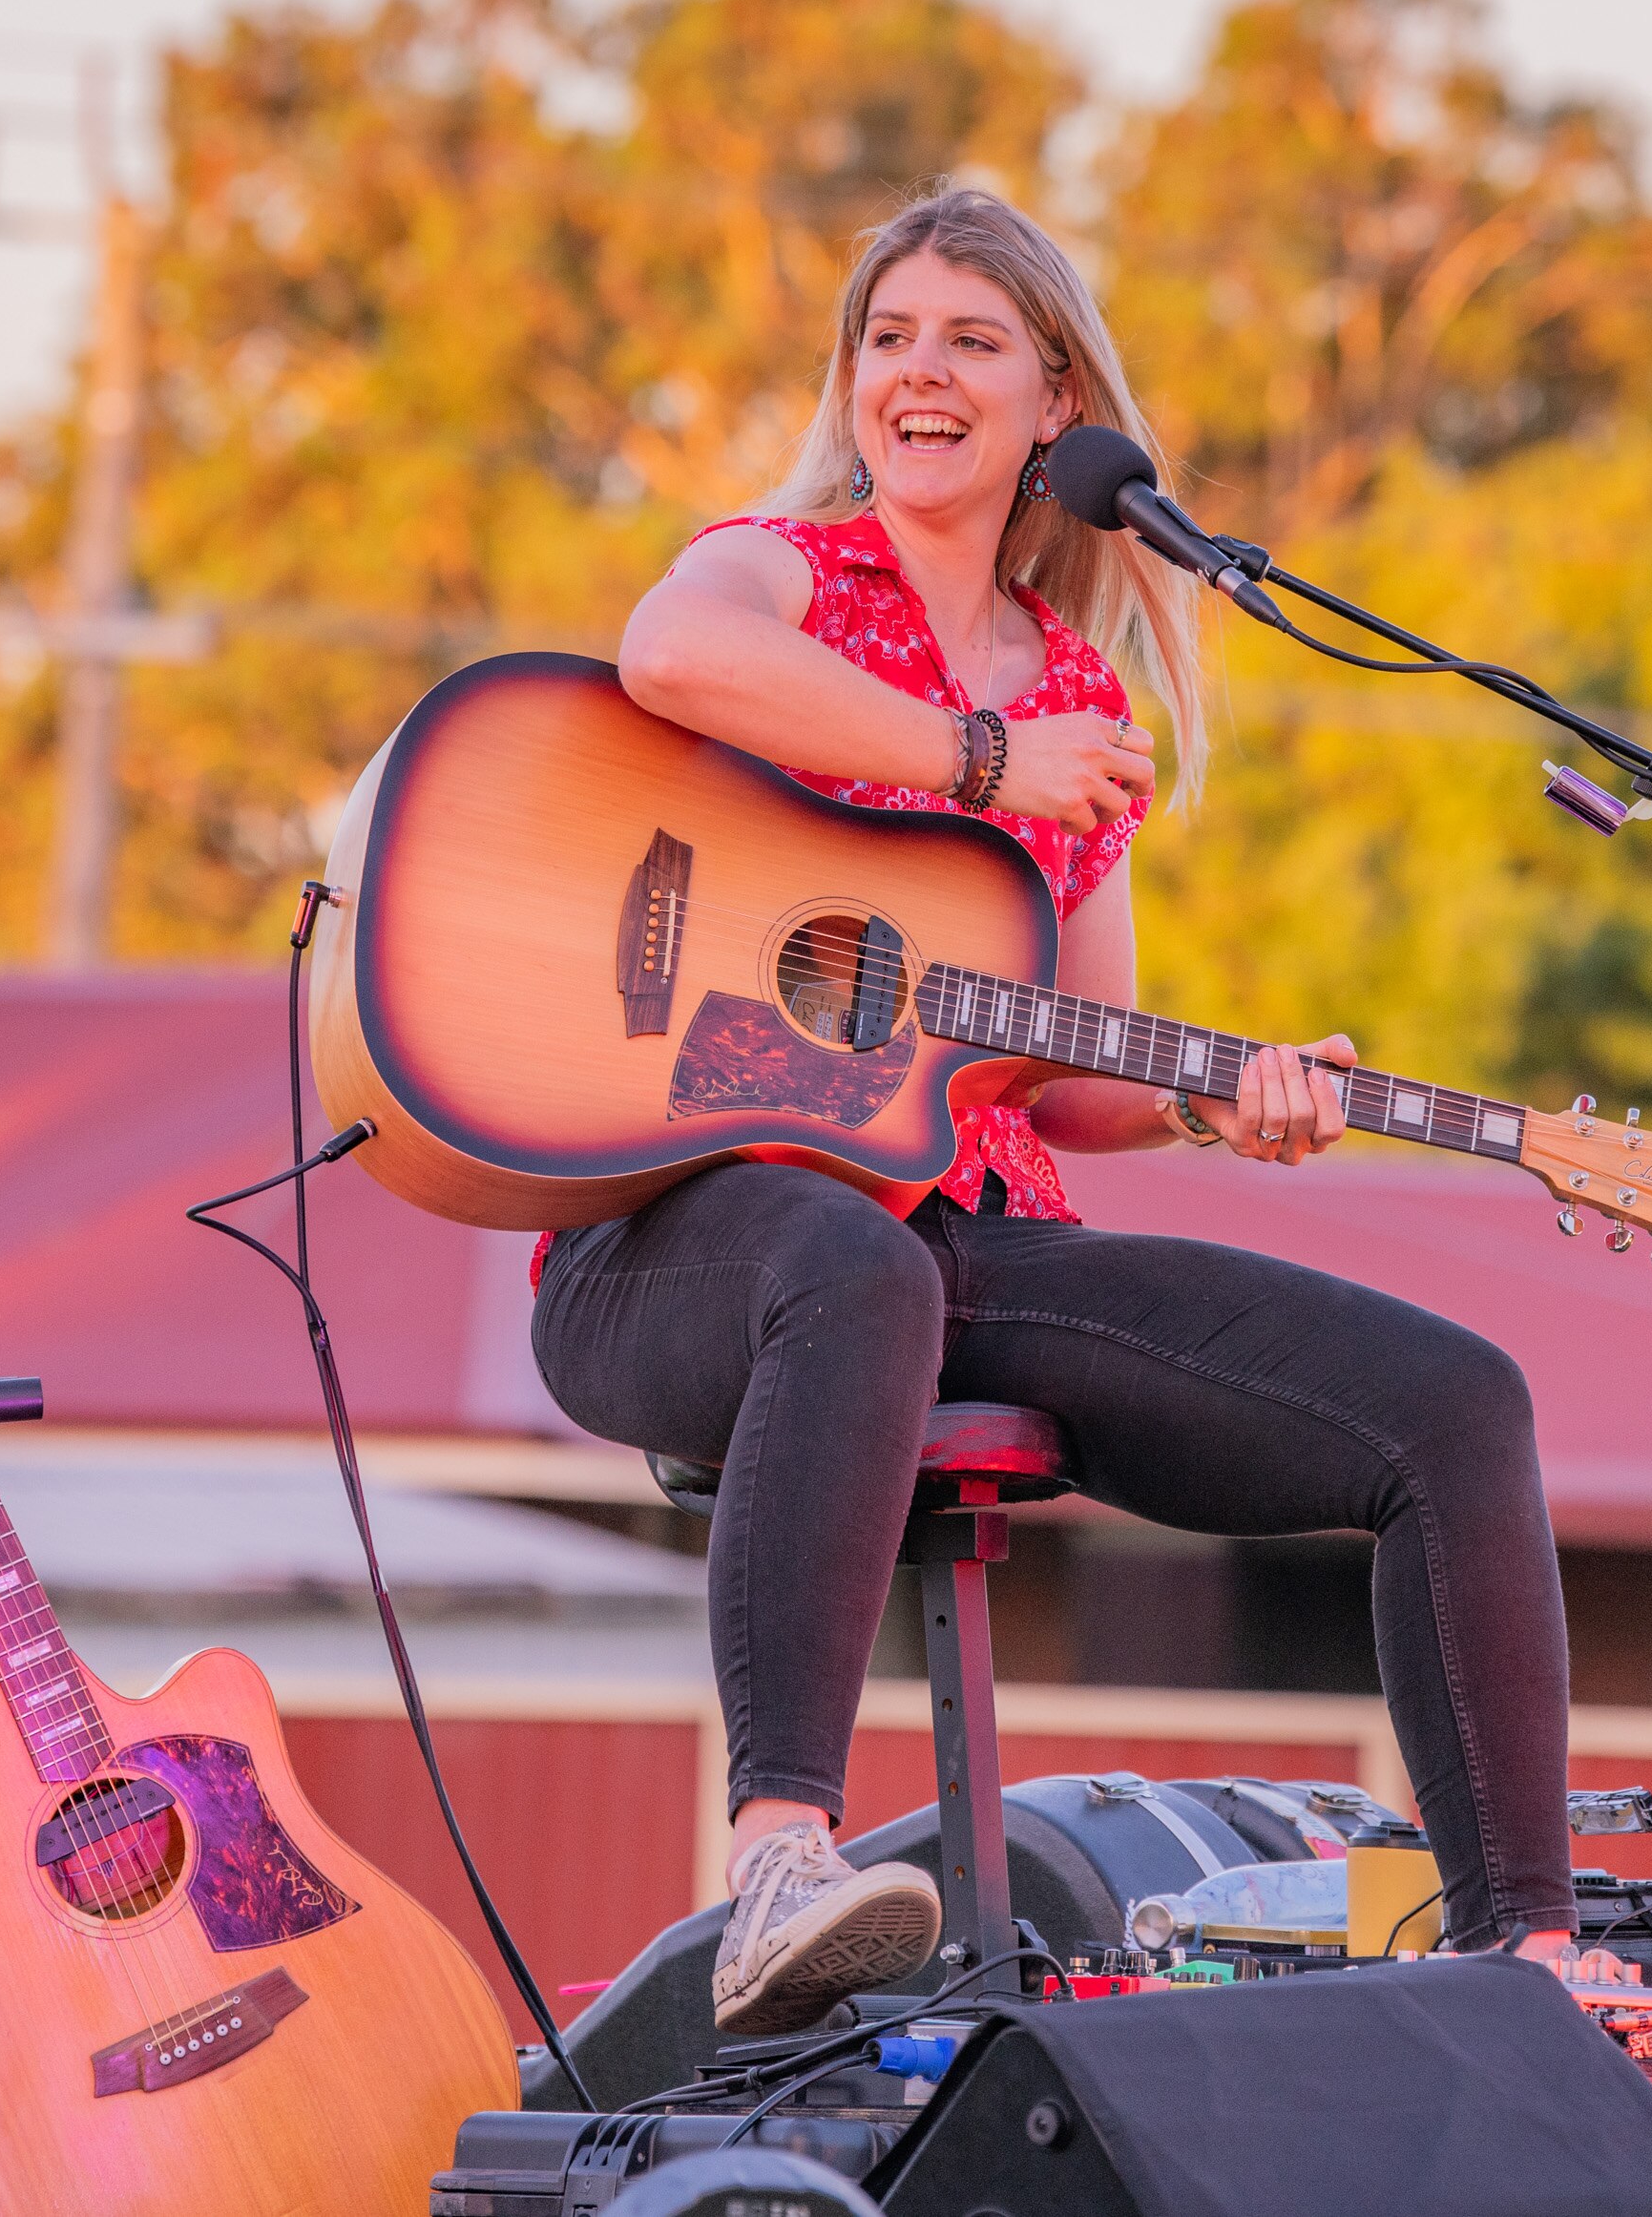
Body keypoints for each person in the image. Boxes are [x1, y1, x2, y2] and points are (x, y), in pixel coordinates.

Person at [530, 185, 1577, 2036]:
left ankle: (1529, 1967)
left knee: (1453, 1404)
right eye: (887, 337)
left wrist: (1212, 1102)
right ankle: (782, 1851)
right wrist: (974, 759)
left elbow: (1070, 1069)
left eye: (967, 341)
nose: (915, 373)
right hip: (684, 1231)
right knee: (855, 1271)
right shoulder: (780, 570)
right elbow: (665, 659)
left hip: (960, 1228)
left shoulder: (1085, 699)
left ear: (1053, 404)